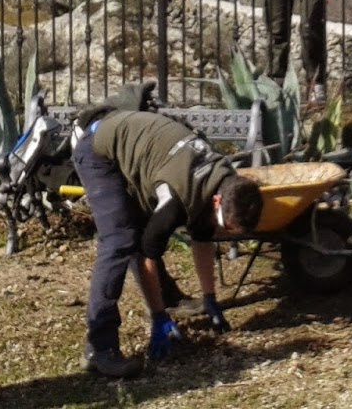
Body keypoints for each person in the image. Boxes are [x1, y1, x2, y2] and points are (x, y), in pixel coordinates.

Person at [71, 108, 265, 378]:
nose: (222, 231)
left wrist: (211, 299)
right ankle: (99, 348)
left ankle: (172, 301)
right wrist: (157, 316)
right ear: (217, 201)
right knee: (121, 240)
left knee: (138, 233)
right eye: (224, 224)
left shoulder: (225, 178)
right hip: (98, 150)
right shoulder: (176, 201)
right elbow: (148, 253)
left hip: (143, 149)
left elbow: (203, 235)